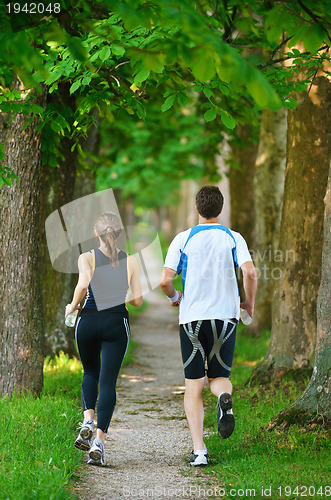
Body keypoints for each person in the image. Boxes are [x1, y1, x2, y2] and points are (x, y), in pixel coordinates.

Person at [160, 186, 257, 466]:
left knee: (194, 385)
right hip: (225, 318)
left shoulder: (183, 238)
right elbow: (250, 271)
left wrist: (175, 297)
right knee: (218, 378)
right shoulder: (233, 237)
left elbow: (165, 280)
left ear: (197, 208)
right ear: (221, 209)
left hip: (192, 319)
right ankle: (224, 398)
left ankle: (199, 451)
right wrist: (248, 303)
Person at [65, 212, 142, 466]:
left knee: (89, 373)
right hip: (116, 323)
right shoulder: (130, 261)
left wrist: (72, 306)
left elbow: (84, 284)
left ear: (96, 233)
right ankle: (98, 443)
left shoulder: (86, 257)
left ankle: (87, 420)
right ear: (119, 234)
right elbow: (138, 300)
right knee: (108, 382)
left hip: (88, 321)